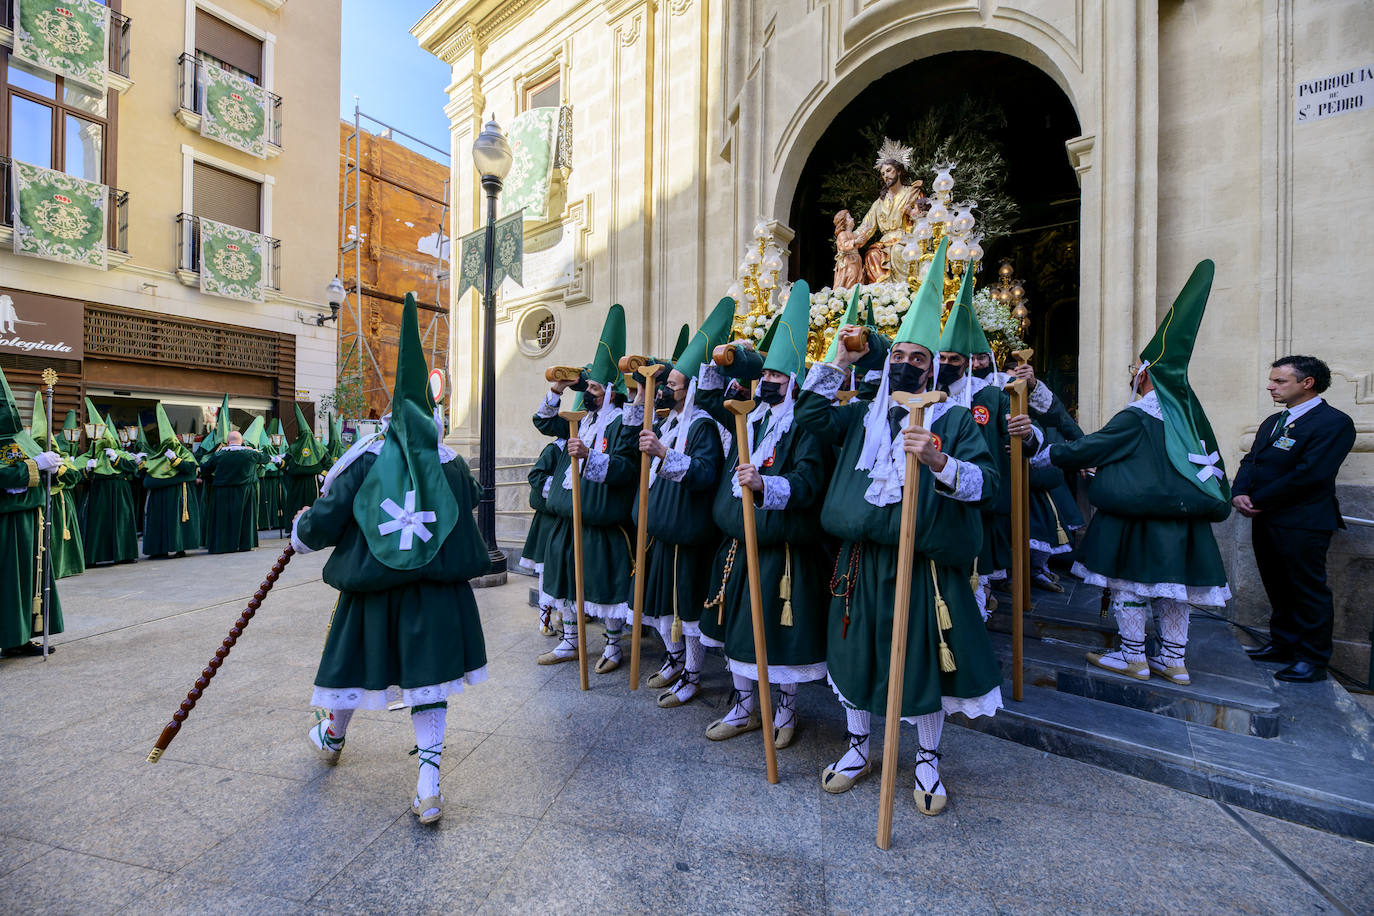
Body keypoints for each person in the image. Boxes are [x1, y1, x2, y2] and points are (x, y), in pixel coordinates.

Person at [797, 238, 1003, 815]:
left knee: (922, 661)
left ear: (934, 366)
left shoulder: (957, 418)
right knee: (857, 653)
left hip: (926, 565)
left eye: (919, 357)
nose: (906, 363)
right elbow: (809, 418)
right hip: (862, 560)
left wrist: (937, 458)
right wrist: (839, 360)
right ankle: (860, 746)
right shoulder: (864, 415)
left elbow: (987, 486)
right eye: (899, 355)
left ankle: (928, 759)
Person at [295, 292, 490, 825]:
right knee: (429, 682)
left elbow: (321, 522)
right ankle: (428, 785)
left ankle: (332, 735)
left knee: (354, 664)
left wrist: (298, 534)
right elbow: (472, 497)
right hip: (437, 595)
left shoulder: (363, 459)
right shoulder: (449, 464)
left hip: (374, 590)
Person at [1035, 261, 1231, 686]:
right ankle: (1175, 662)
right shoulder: (1189, 420)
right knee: (1173, 591)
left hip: (1136, 522)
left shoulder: (1138, 417)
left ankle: (1133, 656)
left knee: (1130, 587)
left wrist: (1046, 453)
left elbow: (1091, 447)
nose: (1133, 377)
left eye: (1135, 372)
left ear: (1145, 375)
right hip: (1185, 524)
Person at [696, 284, 830, 745]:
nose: (768, 381)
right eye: (765, 374)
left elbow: (810, 482)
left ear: (793, 383)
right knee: (740, 629)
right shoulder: (750, 416)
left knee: (779, 634)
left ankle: (786, 710)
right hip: (738, 541)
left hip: (783, 548)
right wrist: (724, 359)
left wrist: (765, 485)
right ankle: (745, 706)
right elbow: (708, 394)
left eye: (777, 376)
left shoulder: (805, 426)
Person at [626, 297, 730, 708]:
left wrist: (665, 454)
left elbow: (705, 473)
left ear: (691, 389)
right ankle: (672, 661)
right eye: (665, 386)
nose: (666, 392)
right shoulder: (668, 420)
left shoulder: (703, 425)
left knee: (686, 606)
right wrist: (640, 395)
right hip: (662, 530)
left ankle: (692, 673)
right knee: (663, 603)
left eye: (672, 387)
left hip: (689, 529)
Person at [1233, 355, 1356, 683]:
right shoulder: (1273, 422)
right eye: (1271, 380)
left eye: (1279, 381)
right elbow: (1251, 460)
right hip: (1266, 518)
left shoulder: (1334, 422)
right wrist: (1239, 491)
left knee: (1307, 591)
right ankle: (1283, 645)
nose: (1270, 386)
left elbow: (1311, 474)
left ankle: (1312, 660)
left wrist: (1257, 498)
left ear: (1307, 383)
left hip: (1303, 522)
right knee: (1277, 586)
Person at [533, 305, 639, 671]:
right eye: (588, 387)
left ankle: (612, 646)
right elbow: (544, 424)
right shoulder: (580, 418)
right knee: (565, 581)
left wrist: (590, 456)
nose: (589, 393)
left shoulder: (624, 423)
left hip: (602, 522)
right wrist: (557, 390)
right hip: (567, 519)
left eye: (594, 387)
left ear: (611, 391)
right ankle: (569, 641)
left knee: (603, 585)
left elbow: (626, 468)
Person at [1, 365, 66, 657]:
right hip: (5, 522)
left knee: (26, 582)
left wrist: (51, 466)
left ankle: (19, 636)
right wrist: (34, 466)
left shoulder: (18, 437)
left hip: (30, 519)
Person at [31, 394, 85, 579]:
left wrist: (57, 469)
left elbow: (74, 477)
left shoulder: (59, 456)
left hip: (60, 502)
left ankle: (62, 567)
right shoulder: (30, 459)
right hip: (38, 504)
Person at [140, 403, 202, 558]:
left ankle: (179, 547)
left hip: (177, 495)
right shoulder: (155, 455)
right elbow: (147, 478)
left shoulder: (184, 453)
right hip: (159, 497)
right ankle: (158, 549)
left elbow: (191, 470)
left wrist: (175, 460)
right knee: (158, 522)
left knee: (176, 522)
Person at [80, 402, 138, 566]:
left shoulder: (120, 454)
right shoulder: (91, 456)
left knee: (121, 521)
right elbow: (81, 476)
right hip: (100, 491)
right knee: (98, 523)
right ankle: (94, 556)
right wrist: (88, 468)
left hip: (120, 490)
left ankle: (124, 554)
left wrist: (116, 459)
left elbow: (133, 469)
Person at [520, 438, 565, 636]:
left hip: (566, 518)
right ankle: (544, 620)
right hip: (549, 520)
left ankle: (563, 614)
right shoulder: (554, 449)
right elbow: (536, 476)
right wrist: (561, 490)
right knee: (546, 571)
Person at [201, 430, 269, 554]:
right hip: (244, 491)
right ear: (242, 442)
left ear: (227, 442)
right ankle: (244, 544)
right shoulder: (250, 454)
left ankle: (222, 546)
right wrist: (253, 449)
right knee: (244, 518)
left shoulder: (219, 455)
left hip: (222, 491)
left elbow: (204, 469)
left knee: (223, 519)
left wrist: (213, 480)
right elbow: (266, 458)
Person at [283, 404, 327, 519]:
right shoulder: (294, 447)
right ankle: (294, 527)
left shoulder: (319, 448)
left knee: (312, 505)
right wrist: (279, 462)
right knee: (295, 505)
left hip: (314, 482)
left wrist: (322, 474)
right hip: (296, 482)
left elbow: (329, 464)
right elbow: (285, 462)